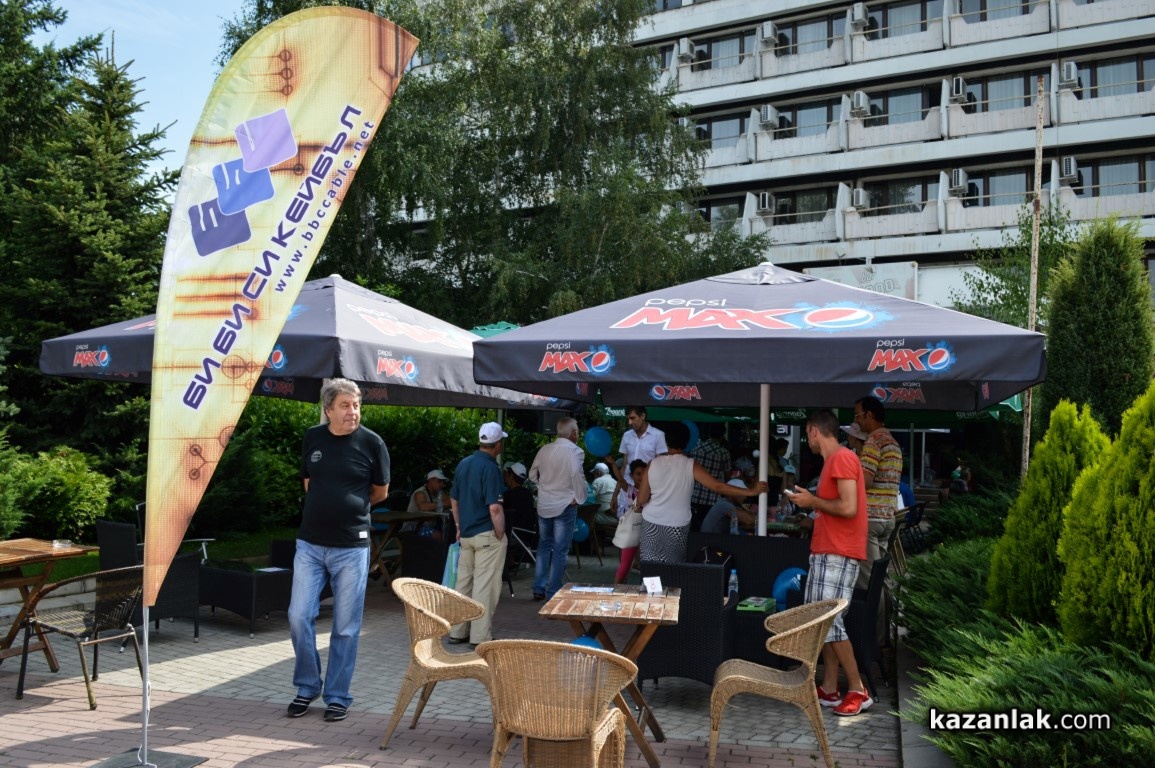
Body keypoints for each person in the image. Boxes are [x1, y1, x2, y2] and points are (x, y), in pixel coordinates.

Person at [288, 378, 389, 723]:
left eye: (356, 405)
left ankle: (337, 695)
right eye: (345, 405)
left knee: (345, 626)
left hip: (351, 548)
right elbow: (309, 483)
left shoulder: (373, 443)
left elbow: (380, 492)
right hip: (310, 544)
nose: (353, 411)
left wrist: (351, 509)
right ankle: (307, 686)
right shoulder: (312, 438)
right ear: (328, 409)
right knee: (298, 616)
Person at [789, 408, 872, 717]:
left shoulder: (842, 458)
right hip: (830, 550)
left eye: (807, 434)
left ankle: (858, 689)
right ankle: (830, 686)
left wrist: (812, 502)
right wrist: (812, 506)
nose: (807, 441)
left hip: (839, 551)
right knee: (823, 621)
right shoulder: (835, 460)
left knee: (827, 619)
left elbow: (849, 508)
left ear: (813, 430)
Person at [636, 422, 769, 563]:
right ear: (687, 441)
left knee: (650, 567)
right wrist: (751, 491)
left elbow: (641, 499)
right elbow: (718, 486)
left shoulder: (653, 463)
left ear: (665, 440)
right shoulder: (690, 464)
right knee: (672, 568)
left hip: (651, 521)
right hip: (677, 524)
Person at [448, 422, 509, 647]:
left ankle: (457, 631)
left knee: (463, 583)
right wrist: (500, 533)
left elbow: (454, 500)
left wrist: (458, 526)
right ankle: (480, 637)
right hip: (486, 534)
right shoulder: (491, 468)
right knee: (485, 585)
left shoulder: (464, 463)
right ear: (498, 444)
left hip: (466, 534)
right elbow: (495, 508)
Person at [528, 416, 587, 601]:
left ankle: (539, 587)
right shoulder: (575, 451)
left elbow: (532, 474)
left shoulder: (544, 449)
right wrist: (580, 497)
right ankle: (553, 591)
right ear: (573, 433)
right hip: (565, 504)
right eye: (577, 431)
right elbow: (576, 474)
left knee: (544, 545)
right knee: (560, 549)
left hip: (544, 503)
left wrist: (543, 486)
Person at [853, 396, 903, 591]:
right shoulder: (893, 443)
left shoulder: (873, 442)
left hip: (870, 519)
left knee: (869, 583)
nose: (856, 421)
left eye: (857, 415)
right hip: (887, 518)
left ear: (869, 415)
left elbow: (865, 481)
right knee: (880, 577)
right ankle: (887, 611)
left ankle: (875, 613)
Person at [610, 459, 647, 584]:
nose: (641, 476)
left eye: (644, 473)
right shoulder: (629, 489)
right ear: (631, 475)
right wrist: (613, 464)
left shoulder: (651, 491)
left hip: (647, 531)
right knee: (625, 565)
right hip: (632, 531)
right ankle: (617, 589)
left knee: (646, 564)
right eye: (638, 474)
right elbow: (620, 479)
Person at [690, 422, 731, 531]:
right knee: (709, 531)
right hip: (712, 500)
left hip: (694, 497)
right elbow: (727, 477)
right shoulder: (723, 453)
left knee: (694, 530)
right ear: (722, 436)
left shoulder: (696, 448)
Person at [618, 406, 667, 483]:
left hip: (648, 483)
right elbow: (624, 465)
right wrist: (618, 488)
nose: (629, 422)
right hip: (628, 484)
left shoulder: (658, 435)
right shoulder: (626, 435)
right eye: (628, 419)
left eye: (632, 418)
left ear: (642, 416)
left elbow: (661, 465)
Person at [408, 469, 449, 538]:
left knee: (450, 532)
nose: (442, 485)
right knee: (438, 535)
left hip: (432, 526)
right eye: (439, 481)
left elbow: (450, 502)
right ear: (430, 481)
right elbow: (423, 507)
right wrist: (444, 503)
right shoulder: (420, 493)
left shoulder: (440, 493)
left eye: (443, 482)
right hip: (414, 527)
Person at [590, 462, 618, 528]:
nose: (594, 476)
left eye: (594, 473)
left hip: (606, 517)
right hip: (618, 518)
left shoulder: (598, 481)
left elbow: (590, 498)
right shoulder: (615, 482)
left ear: (599, 473)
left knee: (585, 513)